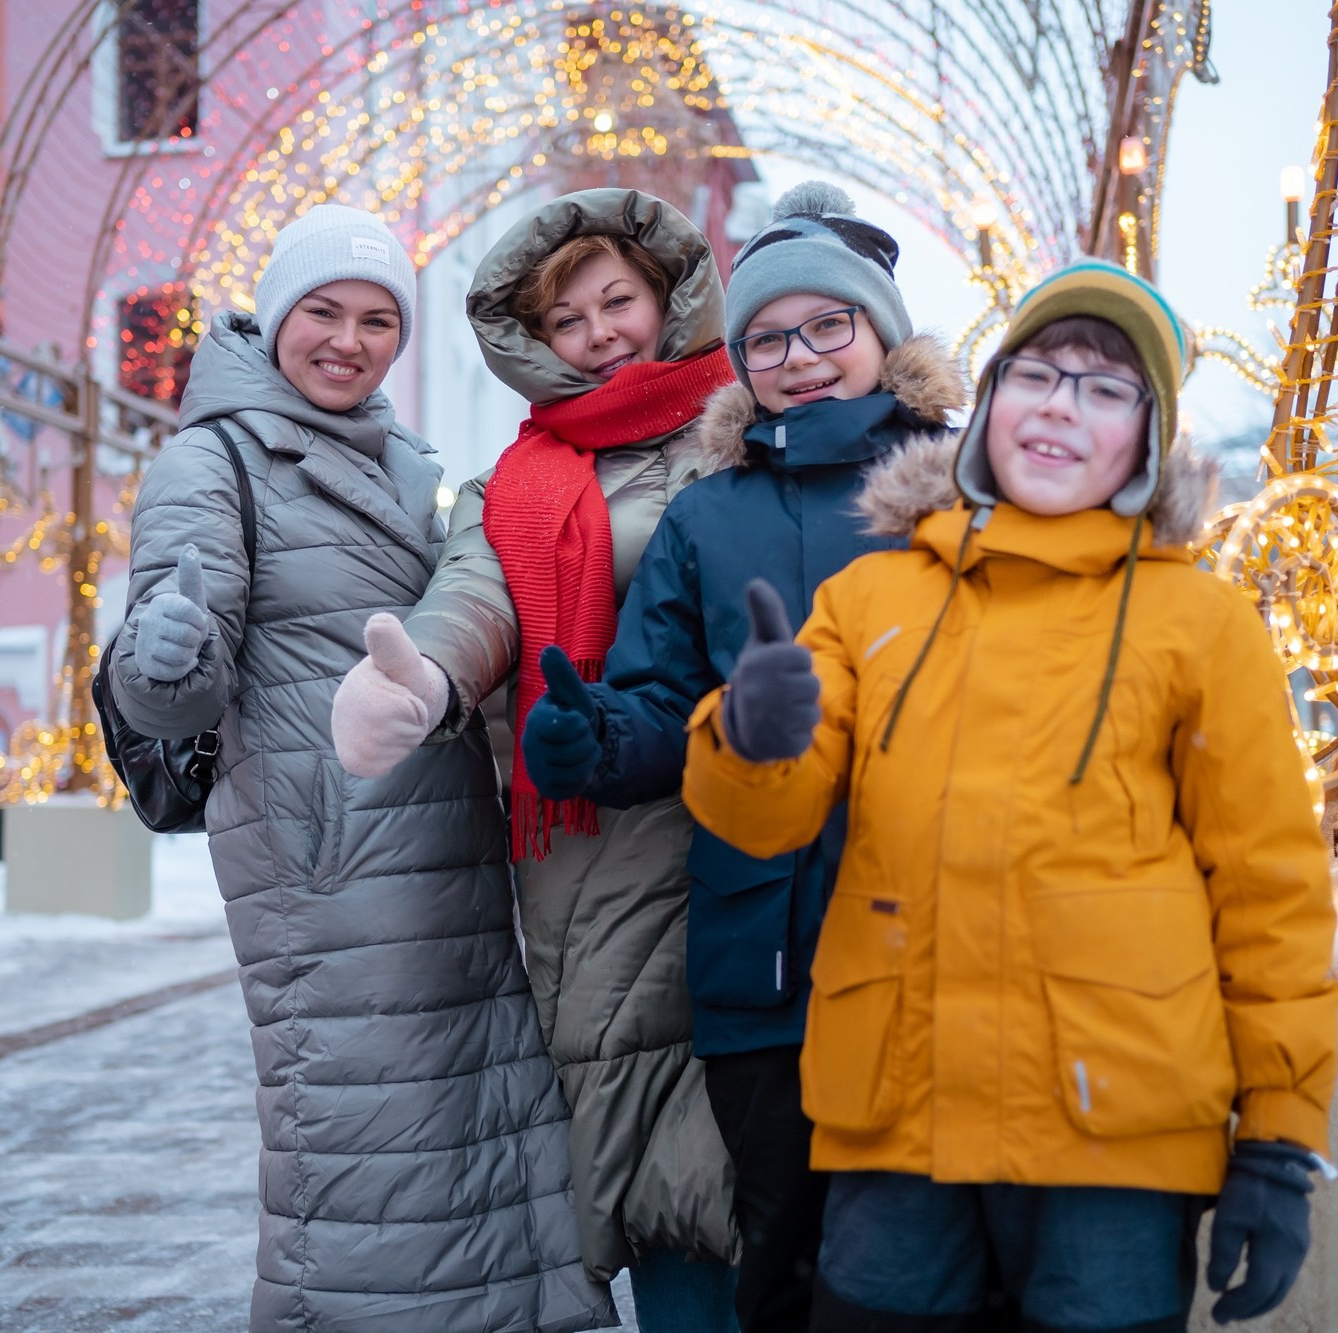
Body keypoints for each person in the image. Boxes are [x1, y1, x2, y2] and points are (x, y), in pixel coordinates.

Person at [680, 259, 1338, 1332]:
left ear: (1146, 437)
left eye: (1104, 388)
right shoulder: (868, 595)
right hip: (899, 1116)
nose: (1059, 408)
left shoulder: (1202, 624)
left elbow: (1269, 896)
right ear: (986, 404)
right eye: (1036, 374)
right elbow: (771, 814)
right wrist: (751, 737)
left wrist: (1276, 1134)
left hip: (1113, 1140)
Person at [109, 204, 614, 1333]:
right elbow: (176, 689)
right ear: (278, 316)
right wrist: (162, 653)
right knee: (362, 1156)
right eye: (323, 313)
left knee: (483, 1129)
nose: (348, 340)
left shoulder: (410, 459)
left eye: (377, 319)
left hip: (453, 857)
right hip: (326, 873)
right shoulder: (213, 458)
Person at [517, 182, 966, 1333]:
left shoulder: (970, 490)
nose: (799, 357)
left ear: (879, 336)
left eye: (828, 327)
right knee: (778, 1251)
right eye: (767, 337)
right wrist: (593, 736)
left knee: (935, 1261)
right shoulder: (705, 516)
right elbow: (660, 700)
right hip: (761, 948)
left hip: (943, 939)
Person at [330, 189, 741, 1330]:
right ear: (534, 342)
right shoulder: (517, 480)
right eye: (568, 320)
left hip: (760, 812)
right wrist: (421, 677)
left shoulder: (746, 427)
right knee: (647, 1127)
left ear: (668, 299)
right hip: (597, 848)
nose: (601, 331)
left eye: (619, 300)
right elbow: (479, 597)